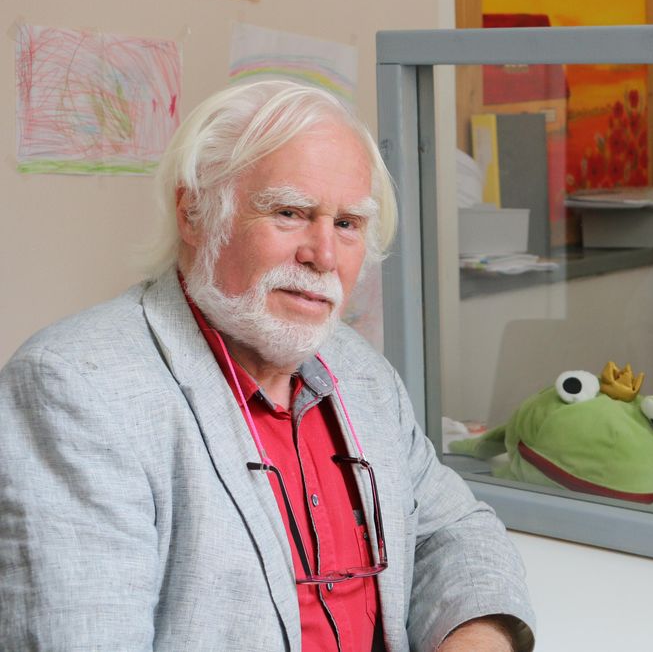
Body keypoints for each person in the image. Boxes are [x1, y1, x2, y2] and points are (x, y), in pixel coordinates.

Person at [0, 80, 535, 651]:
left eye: (348, 223)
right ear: (194, 213)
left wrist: (476, 637)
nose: (323, 255)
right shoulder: (74, 386)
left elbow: (450, 530)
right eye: (289, 212)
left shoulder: (359, 370)